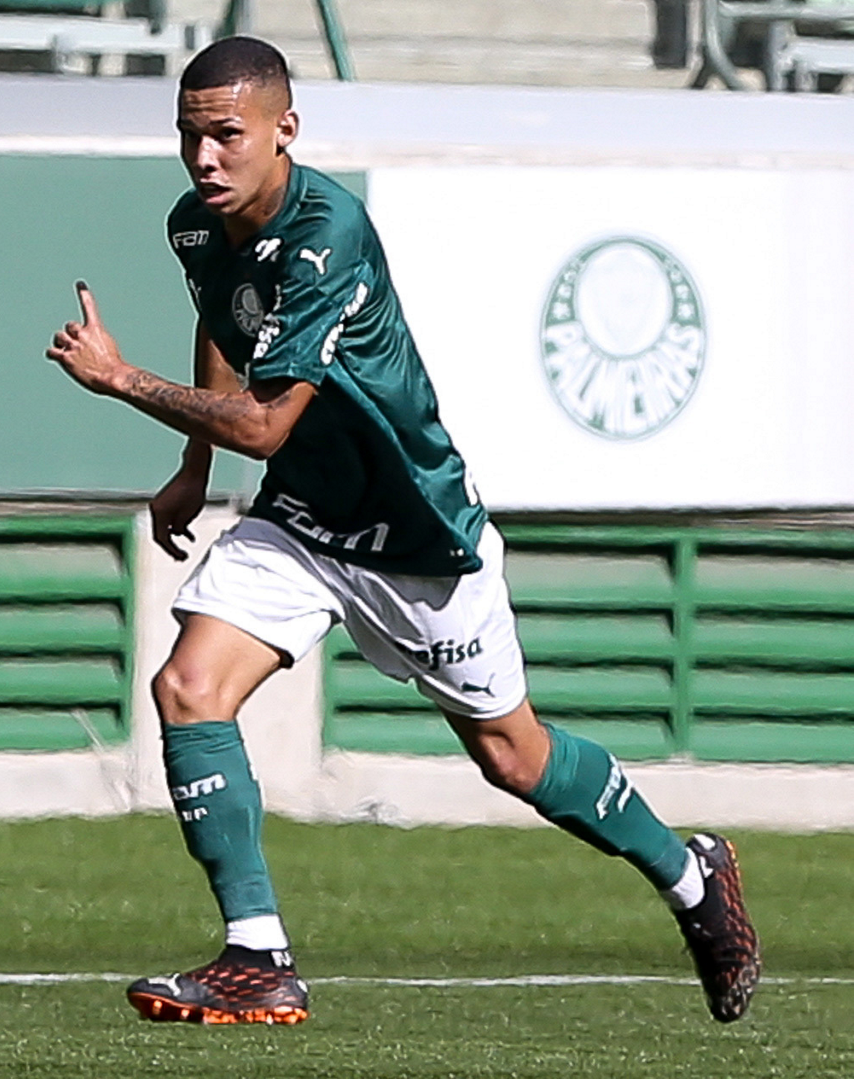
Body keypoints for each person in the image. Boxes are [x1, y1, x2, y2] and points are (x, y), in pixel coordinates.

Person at [45, 36, 760, 1027]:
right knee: (187, 688)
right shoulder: (196, 225)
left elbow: (265, 422)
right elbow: (225, 321)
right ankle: (258, 953)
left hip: (414, 531)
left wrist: (122, 379)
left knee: (512, 756)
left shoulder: (327, 232)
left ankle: (689, 874)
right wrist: (192, 468)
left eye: (227, 134)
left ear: (284, 131)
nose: (204, 157)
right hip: (303, 518)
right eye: (188, 135)